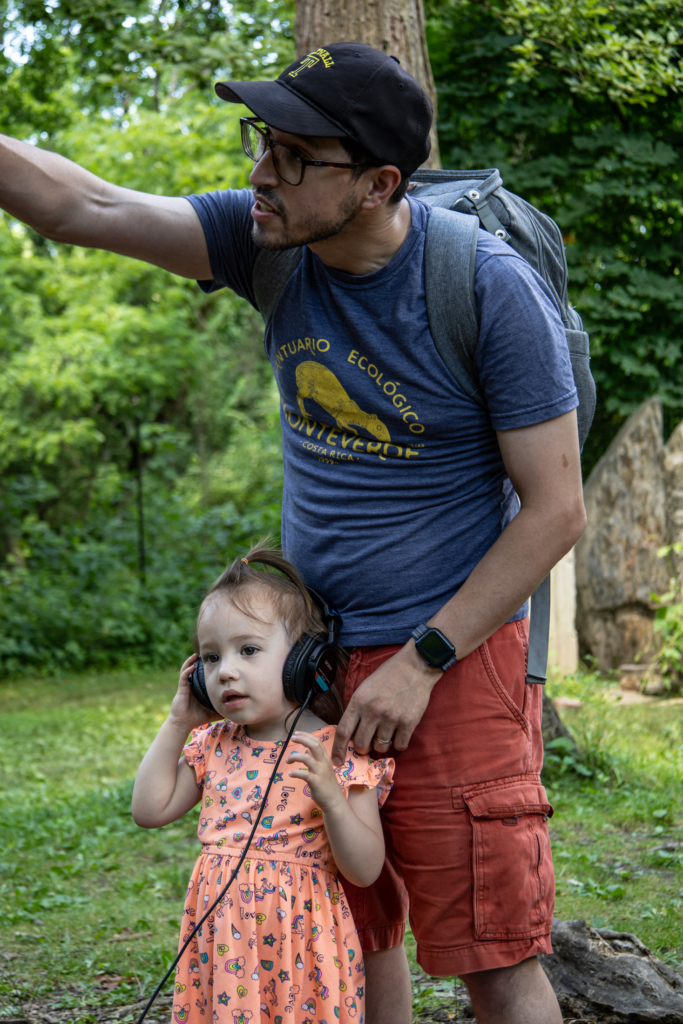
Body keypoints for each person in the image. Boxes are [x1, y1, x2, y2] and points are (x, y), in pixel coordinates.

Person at [0, 41, 586, 1024]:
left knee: (489, 952)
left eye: (293, 154)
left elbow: (555, 508)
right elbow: (83, 207)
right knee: (357, 932)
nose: (258, 171)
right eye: (260, 142)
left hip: (453, 656)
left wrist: (422, 659)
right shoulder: (266, 242)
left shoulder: (485, 289)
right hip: (308, 662)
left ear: (374, 182)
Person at [132, 544, 393, 1024]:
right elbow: (149, 810)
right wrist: (176, 724)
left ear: (305, 662)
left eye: (248, 650)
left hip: (303, 948)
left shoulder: (336, 754)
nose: (226, 670)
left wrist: (332, 800)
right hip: (224, 946)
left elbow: (365, 870)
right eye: (211, 658)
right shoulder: (212, 743)